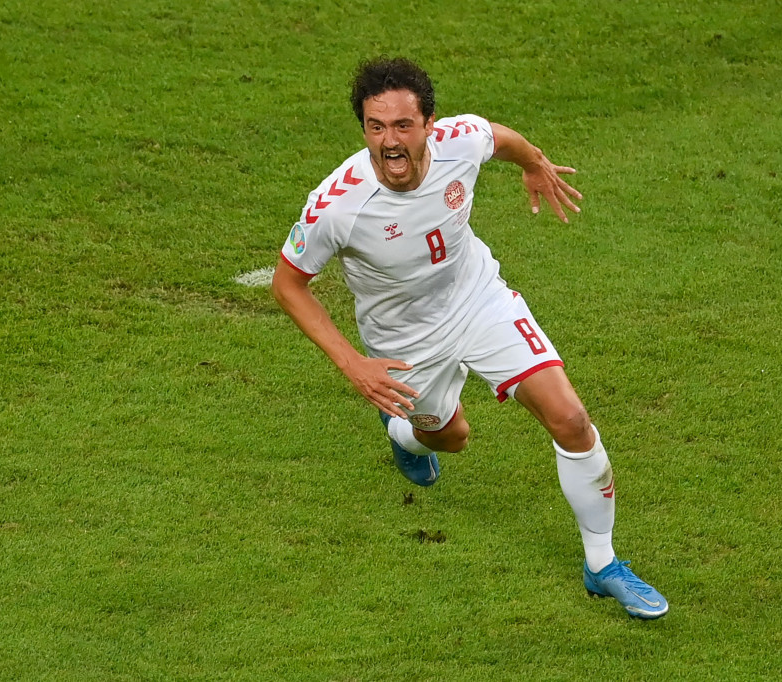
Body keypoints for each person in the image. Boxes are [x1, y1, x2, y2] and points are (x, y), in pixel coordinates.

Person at [270, 56, 668, 619]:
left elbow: (499, 138)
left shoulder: (460, 141)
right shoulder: (338, 205)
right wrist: (354, 364)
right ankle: (402, 433)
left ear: (429, 124)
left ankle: (601, 565)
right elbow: (288, 285)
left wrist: (534, 163)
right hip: (403, 340)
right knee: (450, 438)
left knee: (571, 419)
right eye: (376, 127)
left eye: (402, 125)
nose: (389, 142)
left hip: (478, 299)